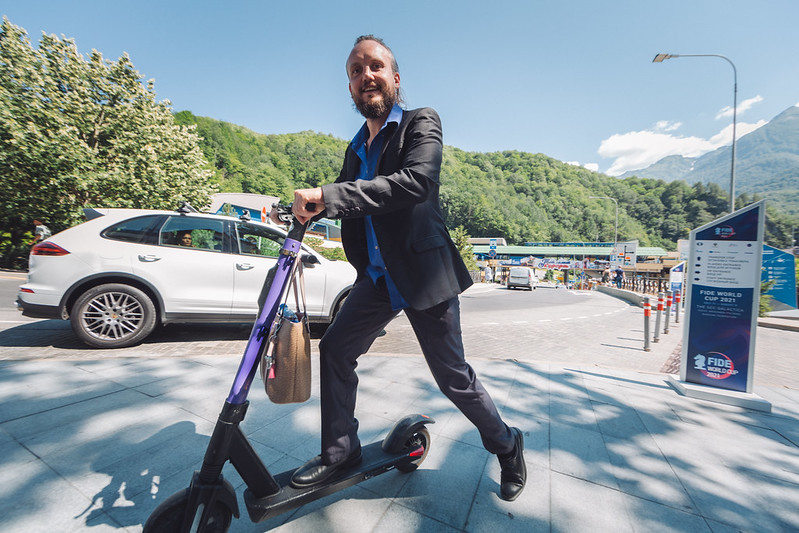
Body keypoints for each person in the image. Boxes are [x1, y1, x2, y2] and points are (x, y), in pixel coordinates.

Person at [284, 35, 526, 501]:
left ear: (394, 78)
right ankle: (340, 453)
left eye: (374, 66)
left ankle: (507, 443)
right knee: (335, 350)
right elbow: (343, 201)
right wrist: (303, 210)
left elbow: (415, 183)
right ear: (351, 89)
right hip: (376, 280)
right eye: (355, 71)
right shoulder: (355, 147)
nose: (365, 76)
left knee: (453, 377)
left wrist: (329, 196)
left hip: (423, 274)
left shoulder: (421, 122)